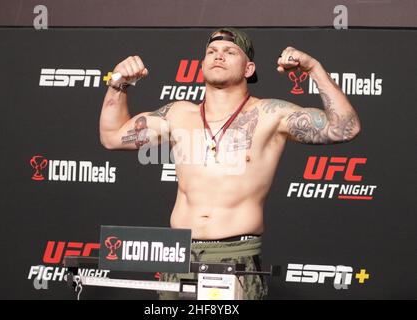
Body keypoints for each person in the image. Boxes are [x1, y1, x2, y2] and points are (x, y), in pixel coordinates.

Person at [99, 27, 361, 299]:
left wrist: (314, 68)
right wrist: (118, 83)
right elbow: (112, 137)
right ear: (202, 64)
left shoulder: (269, 115)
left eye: (229, 51)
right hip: (178, 256)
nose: (218, 56)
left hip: (233, 258)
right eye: (211, 51)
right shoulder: (177, 115)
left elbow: (344, 128)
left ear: (249, 68)